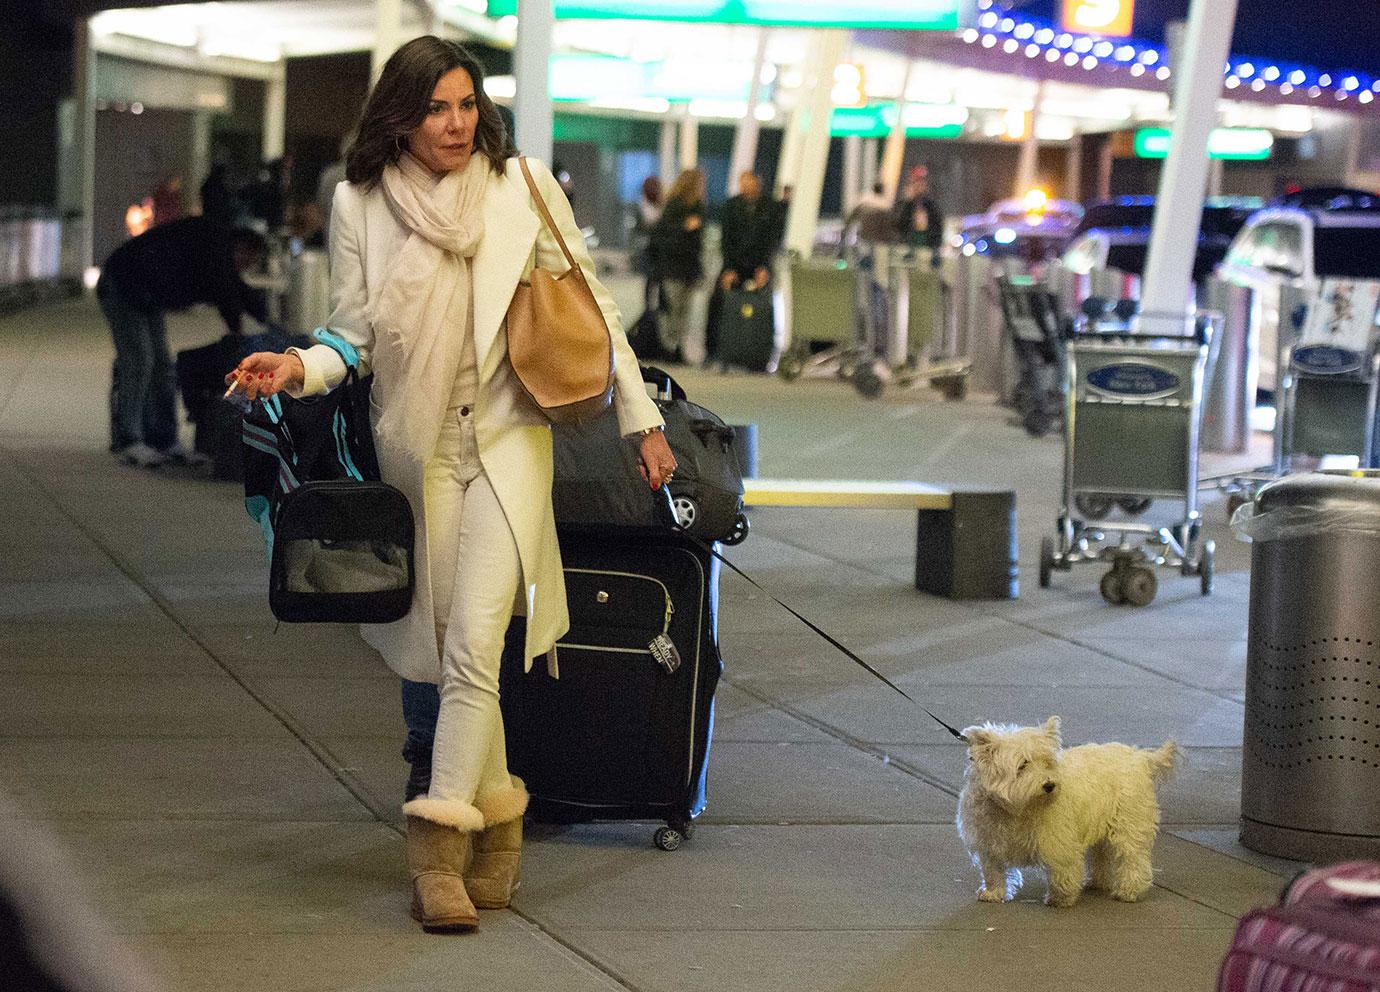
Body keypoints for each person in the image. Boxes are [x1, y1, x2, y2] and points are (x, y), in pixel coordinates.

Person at [225, 36, 676, 935]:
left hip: (508, 445)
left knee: (473, 643)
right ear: (401, 114)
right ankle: (500, 822)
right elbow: (351, 335)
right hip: (418, 450)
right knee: (445, 650)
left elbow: (596, 306)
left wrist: (643, 420)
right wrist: (296, 368)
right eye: (438, 108)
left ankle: (437, 857)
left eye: (468, 104)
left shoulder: (526, 185)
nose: (458, 123)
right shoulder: (362, 202)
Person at [98, 216, 267, 467]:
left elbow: (234, 289)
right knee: (139, 361)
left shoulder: (217, 250)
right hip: (122, 285)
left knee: (162, 366)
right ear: (239, 247)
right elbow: (226, 293)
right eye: (248, 259)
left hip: (145, 293)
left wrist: (266, 323)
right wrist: (239, 329)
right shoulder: (215, 250)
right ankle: (129, 440)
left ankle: (163, 439)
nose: (246, 266)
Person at [706, 170, 777, 365]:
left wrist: (764, 267)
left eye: (749, 182)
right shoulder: (731, 206)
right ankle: (714, 351)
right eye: (742, 182)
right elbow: (726, 239)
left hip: (759, 264)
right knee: (718, 303)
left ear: (758, 183)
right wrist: (729, 269)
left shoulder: (769, 207)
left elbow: (770, 240)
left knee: (762, 306)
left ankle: (760, 353)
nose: (745, 187)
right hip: (733, 263)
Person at [648, 167, 705, 361]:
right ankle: (669, 347)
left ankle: (677, 346)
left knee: (683, 310)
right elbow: (665, 238)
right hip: (673, 268)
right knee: (673, 308)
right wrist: (685, 228)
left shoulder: (698, 207)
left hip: (688, 268)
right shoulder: (674, 206)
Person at [895, 164, 943, 265]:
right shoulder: (904, 205)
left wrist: (935, 250)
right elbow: (898, 225)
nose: (919, 185)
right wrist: (907, 202)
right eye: (916, 182)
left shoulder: (931, 205)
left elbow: (937, 229)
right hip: (907, 250)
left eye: (922, 181)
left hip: (926, 249)